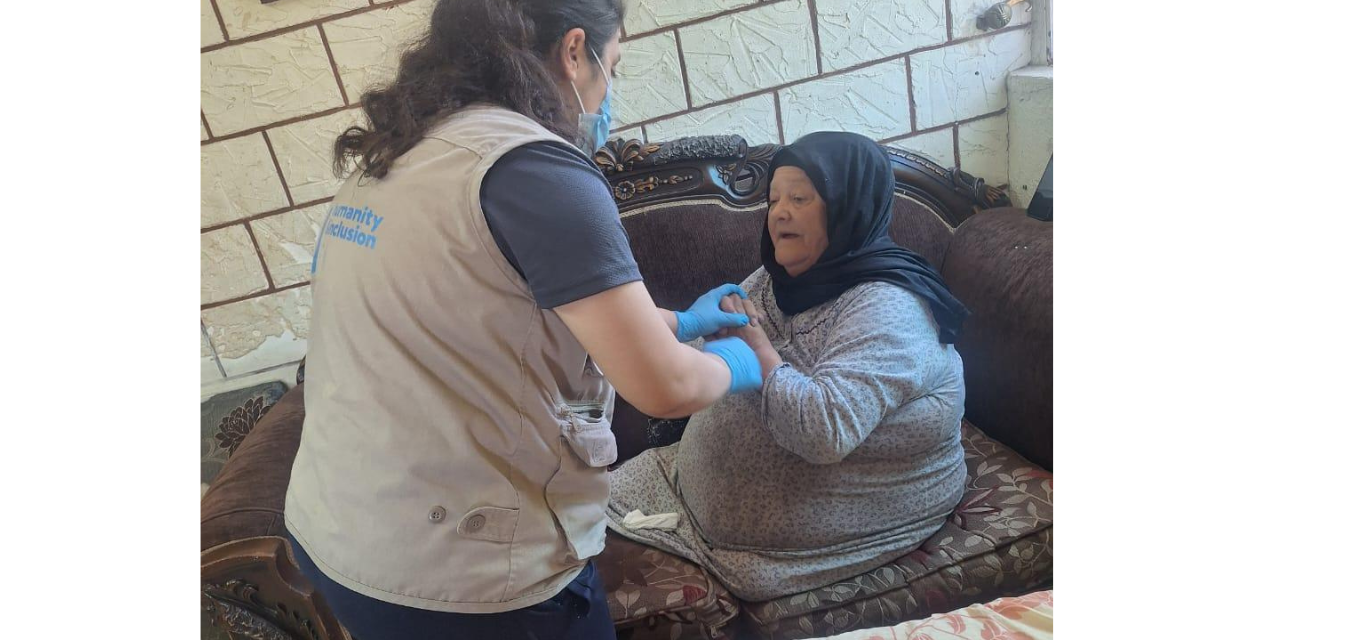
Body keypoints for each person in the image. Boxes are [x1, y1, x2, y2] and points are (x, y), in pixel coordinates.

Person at [277, 0, 764, 638]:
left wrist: (682, 324)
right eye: (612, 66)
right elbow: (664, 386)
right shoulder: (533, 170)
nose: (609, 92)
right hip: (465, 577)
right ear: (574, 51)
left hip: (339, 534)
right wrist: (743, 361)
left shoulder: (396, 156)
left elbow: (494, 316)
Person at [604, 131, 974, 601]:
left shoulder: (889, 307)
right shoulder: (778, 277)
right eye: (774, 199)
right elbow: (699, 358)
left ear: (849, 208)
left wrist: (758, 353)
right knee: (567, 518)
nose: (779, 213)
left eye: (799, 198)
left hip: (796, 542)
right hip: (677, 484)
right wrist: (688, 328)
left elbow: (824, 432)